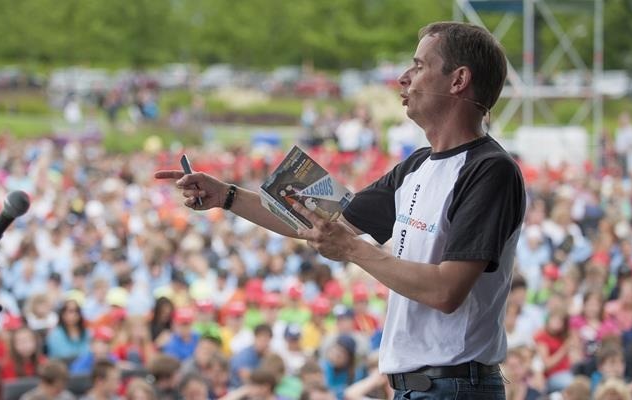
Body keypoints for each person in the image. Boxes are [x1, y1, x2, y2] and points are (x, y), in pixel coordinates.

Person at [156, 21, 522, 399]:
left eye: (419, 66)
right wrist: (227, 196)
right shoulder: (417, 166)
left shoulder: (489, 170)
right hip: (419, 386)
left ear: (458, 79)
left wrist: (351, 249)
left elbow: (447, 290)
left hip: (454, 386)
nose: (403, 78)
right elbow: (321, 221)